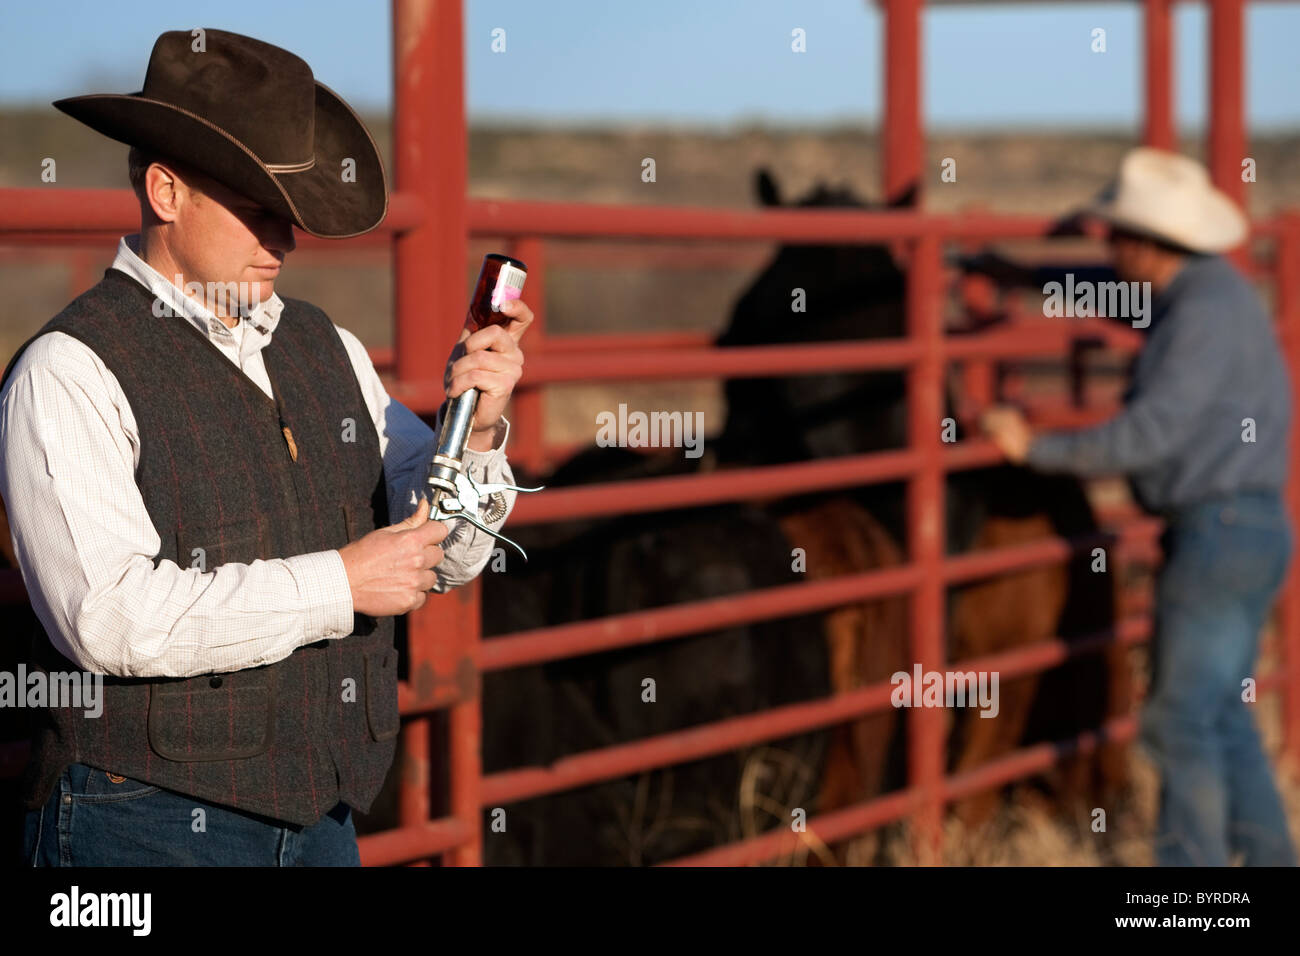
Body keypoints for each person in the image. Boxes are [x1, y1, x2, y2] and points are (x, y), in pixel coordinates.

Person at [0, 29, 533, 866]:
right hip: (138, 822)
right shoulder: (68, 370)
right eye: (255, 207)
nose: (281, 238)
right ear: (167, 192)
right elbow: (107, 619)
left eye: (288, 210)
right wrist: (343, 582)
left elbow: (447, 555)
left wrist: (483, 426)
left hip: (325, 815)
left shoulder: (330, 349)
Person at [982, 147, 1296, 866]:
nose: (1110, 251)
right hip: (1243, 528)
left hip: (1217, 532)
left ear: (1144, 242)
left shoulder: (1200, 316)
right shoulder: (1206, 292)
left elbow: (1149, 434)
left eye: (1116, 238)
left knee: (1181, 718)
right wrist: (1027, 277)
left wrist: (1035, 447)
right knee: (1220, 715)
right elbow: (1108, 290)